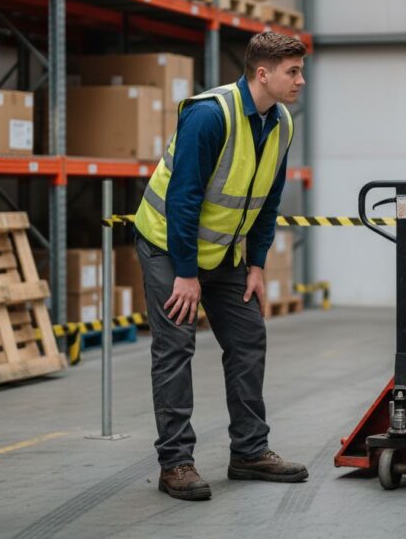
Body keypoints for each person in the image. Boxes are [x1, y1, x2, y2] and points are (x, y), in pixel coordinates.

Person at [133, 32, 309, 501]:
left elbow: (269, 200)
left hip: (227, 255)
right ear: (262, 74)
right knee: (175, 347)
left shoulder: (281, 123)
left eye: (300, 71)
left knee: (249, 337)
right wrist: (186, 273)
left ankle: (249, 451)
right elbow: (184, 197)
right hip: (169, 246)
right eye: (292, 72)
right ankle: (176, 463)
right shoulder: (210, 115)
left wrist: (256, 265)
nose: (300, 81)